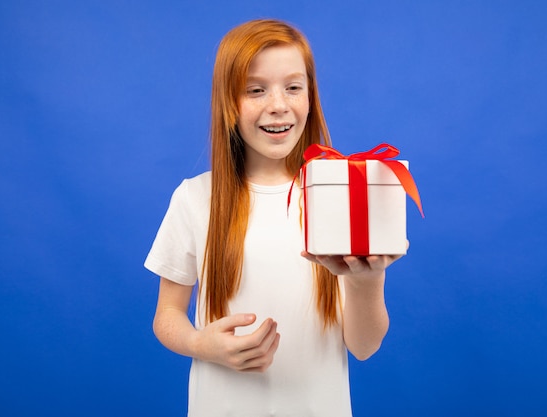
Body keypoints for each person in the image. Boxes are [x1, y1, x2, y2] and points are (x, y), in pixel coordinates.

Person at [145, 18, 404, 417]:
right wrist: (202, 345)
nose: (279, 105)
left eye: (293, 87)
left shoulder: (340, 194)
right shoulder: (195, 198)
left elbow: (365, 347)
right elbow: (166, 316)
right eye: (256, 90)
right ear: (229, 102)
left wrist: (368, 282)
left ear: (310, 97)